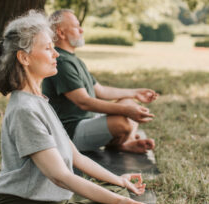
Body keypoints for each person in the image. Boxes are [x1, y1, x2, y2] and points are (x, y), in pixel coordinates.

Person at [0, 10, 155, 204]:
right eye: (48, 48)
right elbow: (61, 176)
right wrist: (118, 202)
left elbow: (75, 156)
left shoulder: (39, 101)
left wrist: (118, 180)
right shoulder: (24, 110)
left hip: (53, 203)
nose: (55, 54)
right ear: (24, 57)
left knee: (120, 191)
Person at [42, 9, 159, 153]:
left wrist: (135, 93)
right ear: (61, 33)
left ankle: (124, 143)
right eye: (76, 26)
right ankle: (123, 142)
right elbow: (83, 102)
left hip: (88, 121)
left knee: (129, 102)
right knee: (123, 122)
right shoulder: (61, 62)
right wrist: (126, 111)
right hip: (70, 133)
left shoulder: (74, 60)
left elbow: (101, 91)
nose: (81, 29)